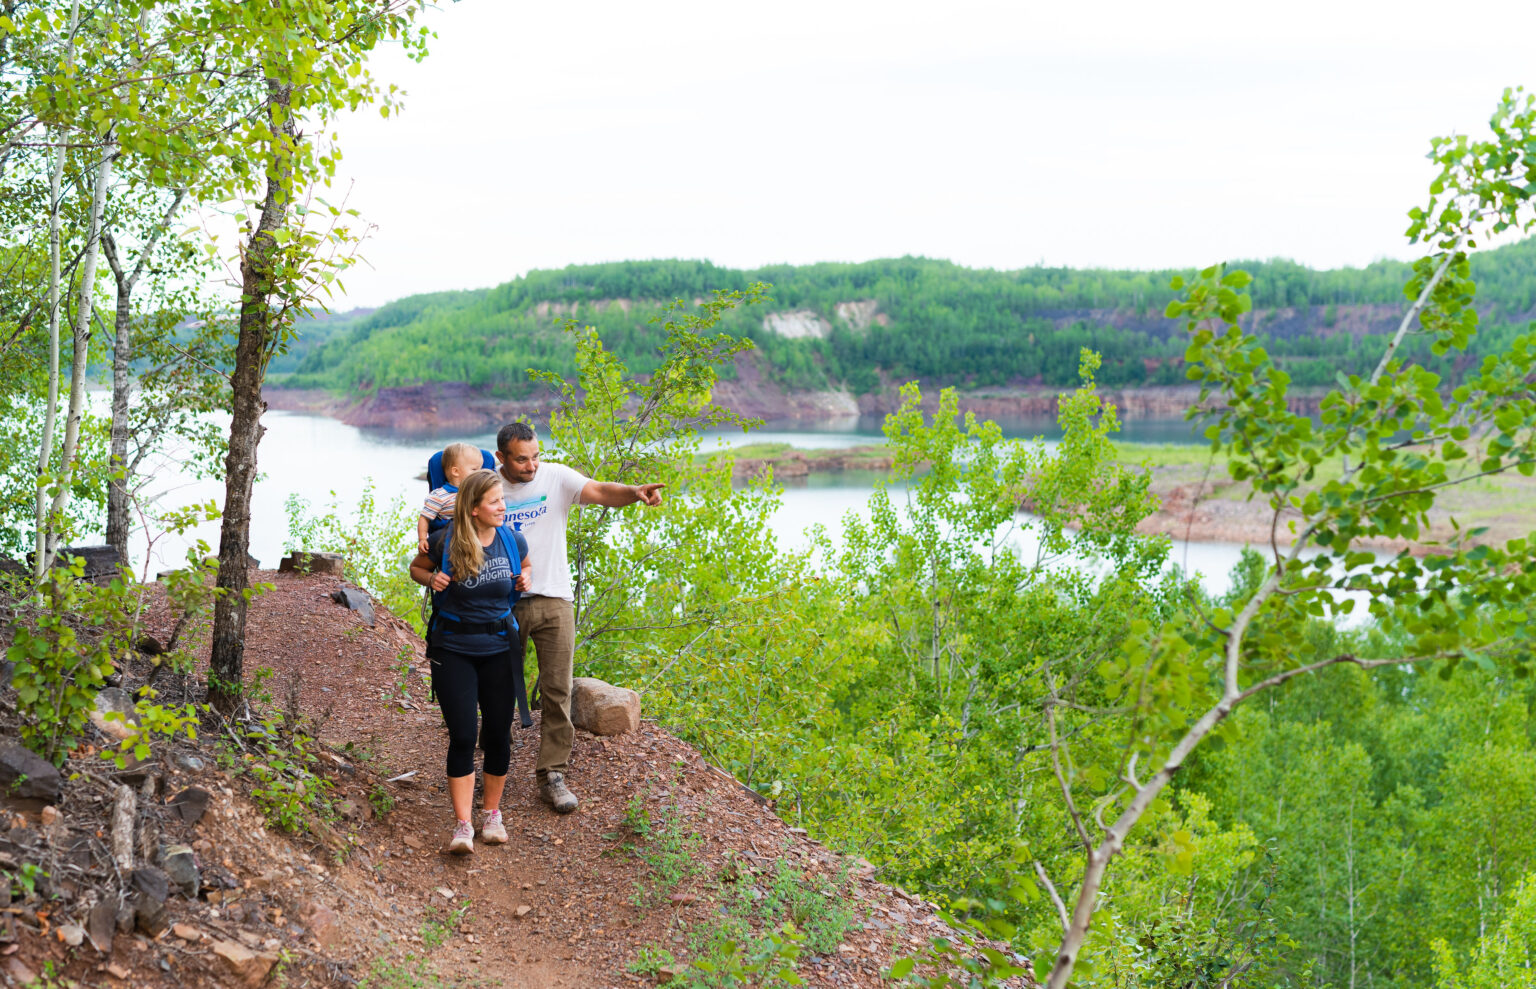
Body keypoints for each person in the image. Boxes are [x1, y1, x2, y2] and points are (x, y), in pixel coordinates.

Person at [495, 420, 664, 814]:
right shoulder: (488, 485)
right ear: (501, 457)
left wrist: (634, 493)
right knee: (499, 687)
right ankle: (493, 762)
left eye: (535, 456)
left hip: (554, 598)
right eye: (521, 460)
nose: (532, 466)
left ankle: (552, 775)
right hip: (502, 601)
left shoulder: (555, 476)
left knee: (558, 690)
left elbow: (600, 491)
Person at [408, 468, 533, 854]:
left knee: (497, 734)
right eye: (495, 501)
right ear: (474, 508)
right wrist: (431, 580)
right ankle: (463, 825)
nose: (503, 506)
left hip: (500, 648)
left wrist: (525, 578)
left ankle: (492, 814)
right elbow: (417, 568)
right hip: (454, 648)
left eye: (502, 499)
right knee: (463, 735)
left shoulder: (512, 539)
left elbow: (526, 565)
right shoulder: (445, 540)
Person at [417, 442, 482, 553]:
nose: (480, 473)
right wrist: (422, 539)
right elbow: (424, 518)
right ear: (455, 471)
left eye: (481, 469)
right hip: (451, 542)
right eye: (474, 470)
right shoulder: (439, 496)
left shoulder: (477, 492)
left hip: (477, 539)